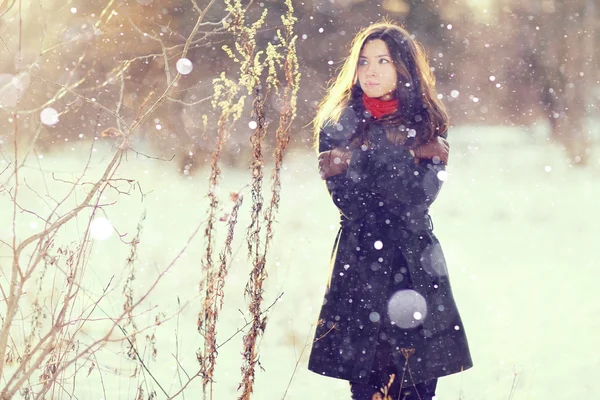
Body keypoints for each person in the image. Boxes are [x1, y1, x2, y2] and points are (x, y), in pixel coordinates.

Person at [307, 21, 473, 400]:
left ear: (403, 67)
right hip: (360, 269)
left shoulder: (428, 123)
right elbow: (352, 201)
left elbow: (415, 196)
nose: (372, 71)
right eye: (364, 61)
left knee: (416, 389)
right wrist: (399, 154)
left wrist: (362, 157)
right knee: (367, 389)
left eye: (383, 60)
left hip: (415, 267)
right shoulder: (337, 125)